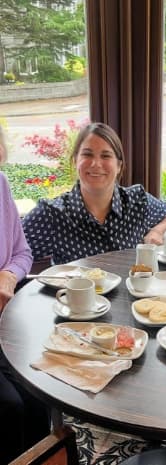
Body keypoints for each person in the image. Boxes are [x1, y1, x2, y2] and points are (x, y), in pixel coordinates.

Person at [23, 122, 166, 265]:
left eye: (105, 156)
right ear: (75, 160)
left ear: (118, 165)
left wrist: (157, 231)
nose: (96, 164)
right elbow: (12, 251)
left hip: (133, 293)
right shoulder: (52, 214)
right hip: (71, 294)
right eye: (87, 154)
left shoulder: (137, 201)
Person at [0, 125, 51, 464]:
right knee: (10, 408)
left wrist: (7, 276)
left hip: (4, 323)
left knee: (40, 393)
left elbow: (22, 253)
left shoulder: (1, 183)